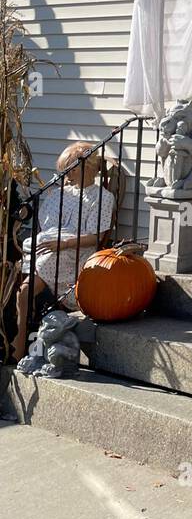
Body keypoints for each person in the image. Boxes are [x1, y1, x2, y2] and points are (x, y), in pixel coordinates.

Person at [13, 143, 116, 361]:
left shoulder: (102, 198)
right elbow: (47, 225)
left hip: (74, 250)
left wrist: (64, 244)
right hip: (50, 245)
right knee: (23, 259)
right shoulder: (62, 193)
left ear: (87, 168)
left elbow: (95, 237)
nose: (66, 176)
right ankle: (23, 324)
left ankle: (20, 339)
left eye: (71, 170)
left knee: (25, 290)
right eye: (64, 171)